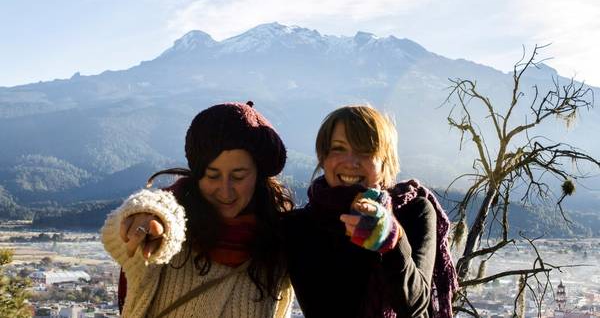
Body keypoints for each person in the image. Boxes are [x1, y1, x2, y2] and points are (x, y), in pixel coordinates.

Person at [101, 101, 294, 318]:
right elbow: (121, 236)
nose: (225, 190)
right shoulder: (171, 231)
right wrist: (145, 215)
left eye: (239, 176)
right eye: (212, 175)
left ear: (259, 176)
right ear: (197, 174)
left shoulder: (280, 242)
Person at [283, 105, 458, 318]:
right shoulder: (299, 227)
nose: (350, 162)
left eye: (365, 151)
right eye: (338, 148)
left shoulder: (413, 212)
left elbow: (416, 307)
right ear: (323, 158)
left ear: (386, 163)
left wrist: (392, 242)